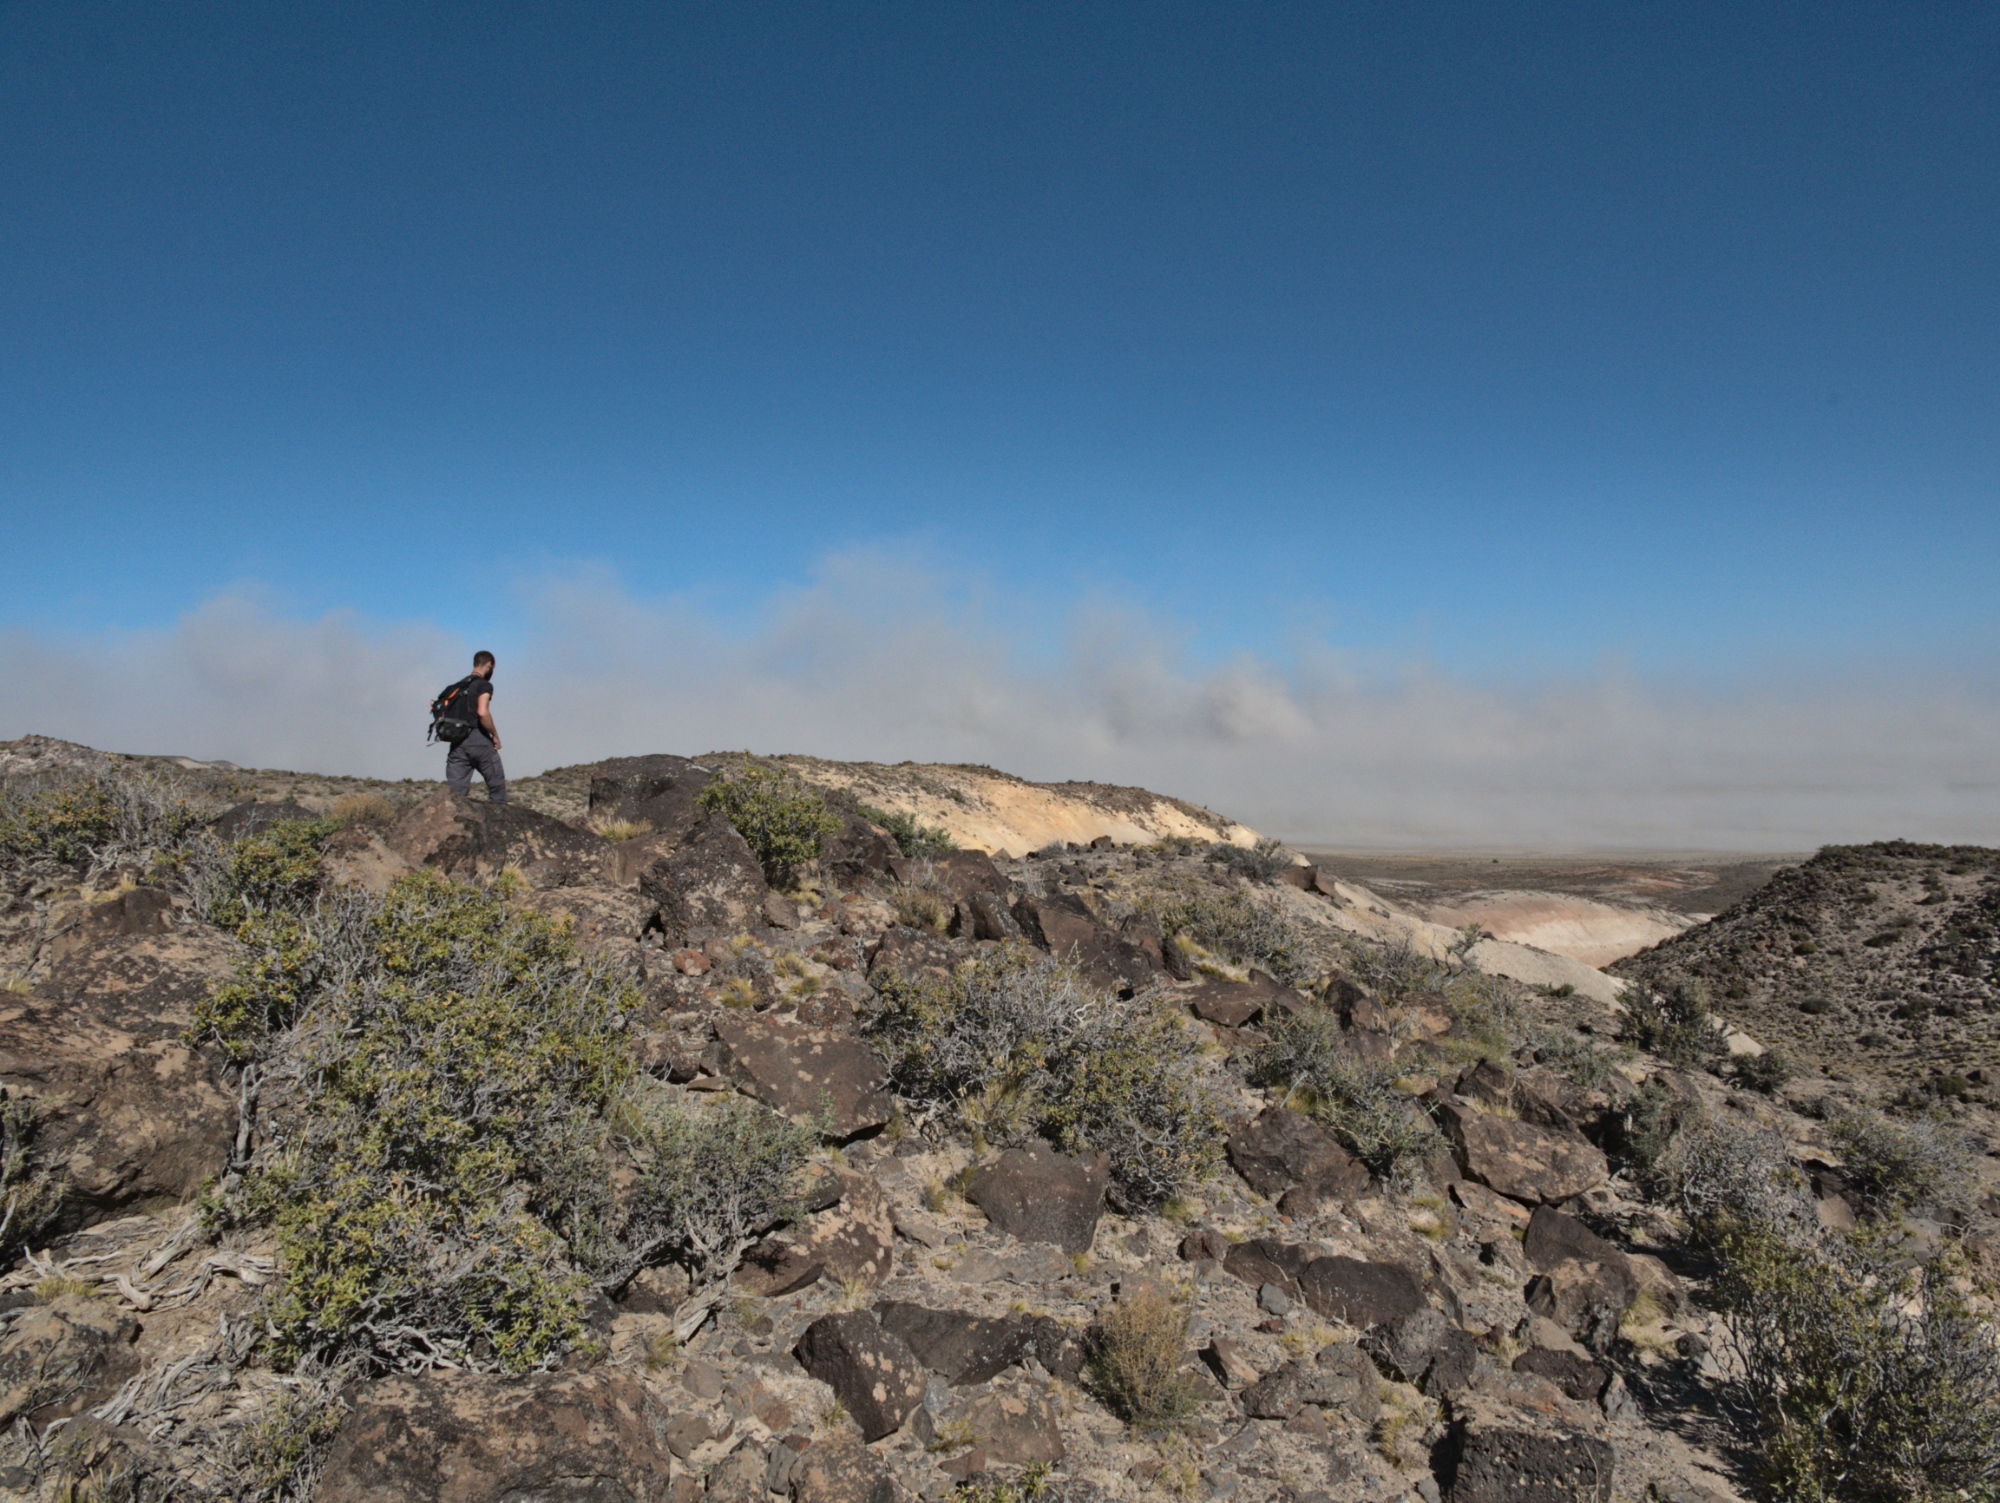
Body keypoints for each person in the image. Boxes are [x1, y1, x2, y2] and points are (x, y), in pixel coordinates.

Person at [445, 651, 507, 804]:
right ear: (489, 665)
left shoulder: (455, 687)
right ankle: (498, 817)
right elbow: (482, 712)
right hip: (478, 740)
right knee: (497, 787)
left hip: (457, 744)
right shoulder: (483, 685)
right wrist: (494, 735)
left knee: (455, 795)